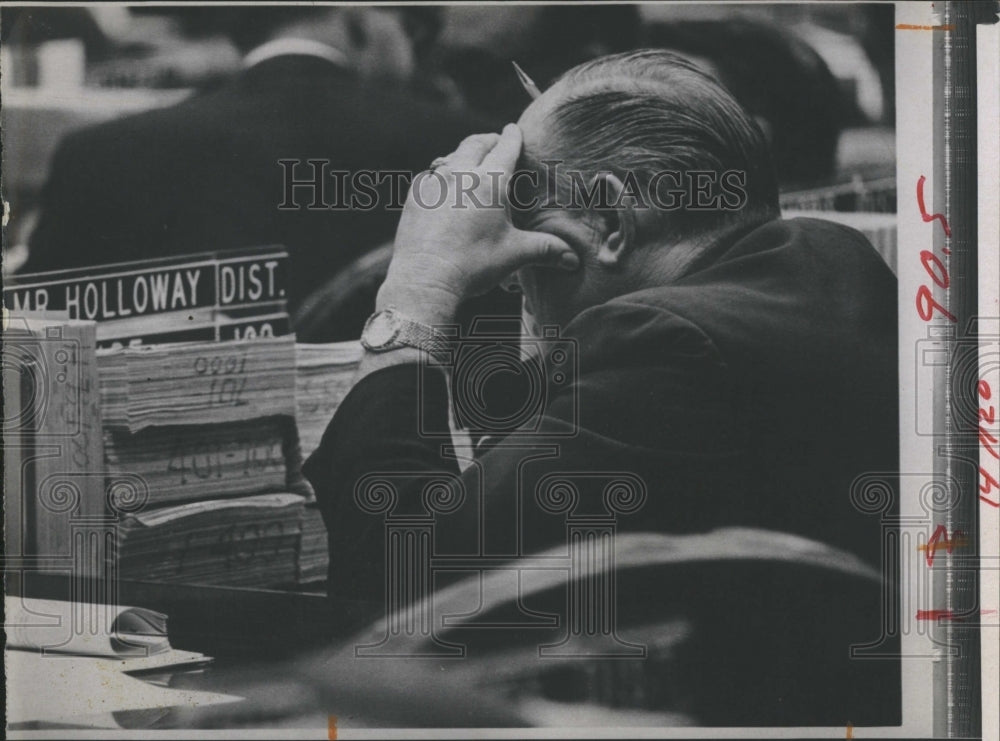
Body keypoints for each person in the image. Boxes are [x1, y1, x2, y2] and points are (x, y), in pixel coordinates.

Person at [303, 50, 899, 723]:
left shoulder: (668, 343)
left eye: (527, 218)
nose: (504, 271)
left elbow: (401, 582)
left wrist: (417, 291)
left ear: (611, 223)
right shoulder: (830, 262)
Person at [22, 7, 488, 334]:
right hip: (391, 454)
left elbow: (36, 328)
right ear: (359, 16)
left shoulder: (100, 151)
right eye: (414, 28)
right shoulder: (462, 144)